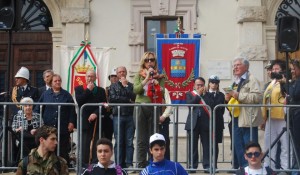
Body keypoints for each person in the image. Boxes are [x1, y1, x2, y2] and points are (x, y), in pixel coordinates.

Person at [225, 57, 263, 168]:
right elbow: (233, 98)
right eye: (234, 65)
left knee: (249, 146)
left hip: (247, 118)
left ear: (246, 67)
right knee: (238, 146)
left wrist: (238, 95)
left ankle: (250, 169)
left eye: (238, 65)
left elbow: (257, 97)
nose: (235, 67)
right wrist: (227, 98)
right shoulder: (235, 81)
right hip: (236, 117)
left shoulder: (252, 79)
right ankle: (241, 168)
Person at [133, 51, 165, 168]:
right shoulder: (139, 75)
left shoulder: (160, 76)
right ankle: (141, 165)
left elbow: (163, 92)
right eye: (147, 60)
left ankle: (153, 164)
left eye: (152, 60)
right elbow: (136, 90)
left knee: (154, 137)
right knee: (141, 138)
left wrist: (158, 85)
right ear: (143, 62)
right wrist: (146, 78)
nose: (150, 62)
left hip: (154, 107)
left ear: (155, 62)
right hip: (141, 106)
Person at [37, 74, 76, 165]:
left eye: (59, 80)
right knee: (48, 148)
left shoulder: (66, 95)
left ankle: (63, 168)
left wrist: (71, 122)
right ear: (51, 83)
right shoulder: (45, 94)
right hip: (48, 127)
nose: (58, 82)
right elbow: (38, 109)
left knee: (62, 149)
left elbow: (72, 110)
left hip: (62, 127)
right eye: (55, 81)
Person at [75, 70, 107, 165]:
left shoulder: (101, 90)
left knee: (96, 144)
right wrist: (88, 90)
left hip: (97, 121)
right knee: (84, 145)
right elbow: (80, 101)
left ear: (95, 78)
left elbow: (104, 105)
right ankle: (84, 165)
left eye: (92, 76)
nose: (90, 78)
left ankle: (95, 164)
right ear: (85, 77)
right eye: (88, 76)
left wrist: (96, 113)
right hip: (84, 121)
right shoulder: (79, 89)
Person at [262, 60, 289, 170]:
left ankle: (285, 168)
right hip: (270, 117)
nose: (274, 71)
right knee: (269, 144)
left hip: (282, 117)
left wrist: (284, 82)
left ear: (283, 70)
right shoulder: (272, 82)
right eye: (273, 69)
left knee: (285, 145)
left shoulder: (287, 81)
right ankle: (269, 167)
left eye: (277, 69)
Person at [109, 66, 136, 168]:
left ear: (126, 73)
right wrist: (127, 100)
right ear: (117, 74)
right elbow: (112, 99)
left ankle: (129, 164)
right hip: (118, 116)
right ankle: (119, 165)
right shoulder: (113, 86)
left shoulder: (131, 85)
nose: (122, 73)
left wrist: (125, 87)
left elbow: (133, 97)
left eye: (123, 71)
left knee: (129, 141)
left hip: (129, 116)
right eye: (119, 72)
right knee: (119, 141)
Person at [185, 77, 213, 171]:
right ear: (194, 85)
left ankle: (207, 166)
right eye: (197, 85)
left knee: (206, 146)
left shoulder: (208, 95)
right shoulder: (189, 94)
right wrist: (199, 95)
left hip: (205, 123)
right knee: (192, 146)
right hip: (193, 123)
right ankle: (193, 166)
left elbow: (211, 105)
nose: (199, 86)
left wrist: (204, 95)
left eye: (201, 85)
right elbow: (190, 104)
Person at [206, 75, 225, 168]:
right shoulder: (204, 94)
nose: (214, 85)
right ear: (209, 83)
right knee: (207, 144)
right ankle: (208, 164)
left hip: (218, 123)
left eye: (216, 83)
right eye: (212, 82)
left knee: (215, 144)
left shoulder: (221, 95)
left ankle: (215, 164)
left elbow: (222, 109)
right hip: (207, 123)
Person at [288, 60, 300, 170]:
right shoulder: (293, 82)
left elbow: (295, 94)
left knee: (298, 143)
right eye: (291, 69)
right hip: (293, 115)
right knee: (294, 143)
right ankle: (295, 166)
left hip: (298, 115)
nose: (292, 71)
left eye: (294, 69)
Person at [158, 88, 173, 160]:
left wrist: (163, 116)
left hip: (163, 120)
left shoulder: (164, 89)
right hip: (150, 120)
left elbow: (169, 105)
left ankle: (166, 161)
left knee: (164, 141)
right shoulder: (147, 88)